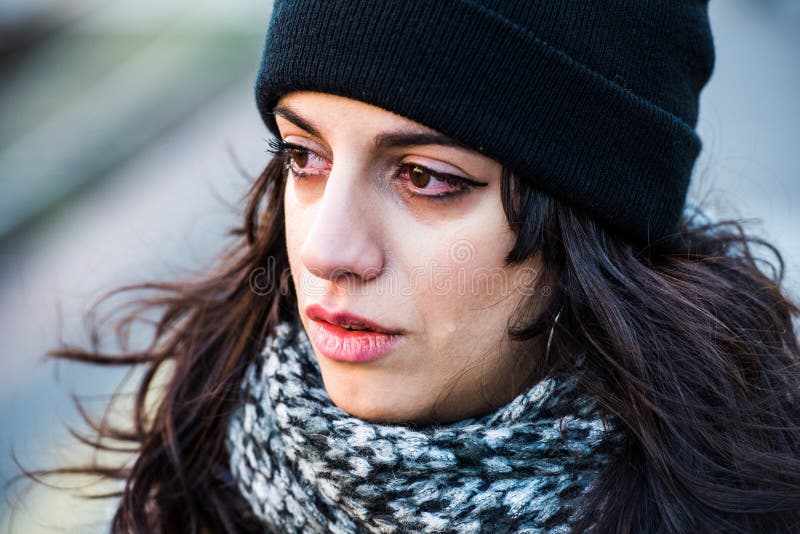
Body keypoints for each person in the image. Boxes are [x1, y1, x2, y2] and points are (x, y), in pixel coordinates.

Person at [30, 0, 800, 532]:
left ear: (594, 225)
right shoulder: (175, 473)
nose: (328, 253)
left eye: (427, 177)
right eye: (304, 156)